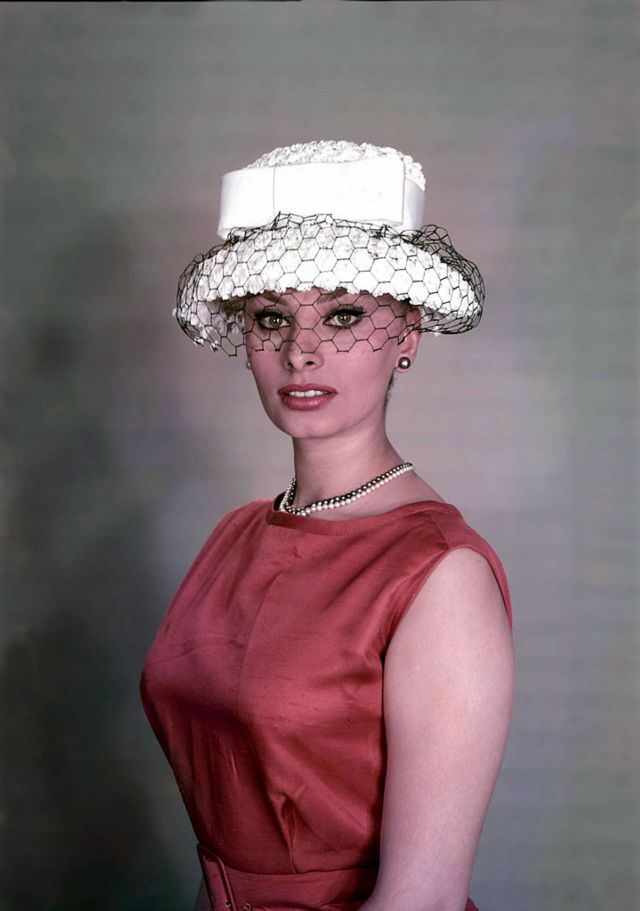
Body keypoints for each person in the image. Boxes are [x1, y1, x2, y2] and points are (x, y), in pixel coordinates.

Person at [140, 140, 515, 911]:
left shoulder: (441, 575)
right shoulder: (236, 535)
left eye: (343, 314)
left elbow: (423, 901)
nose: (300, 350)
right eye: (271, 317)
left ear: (406, 333)